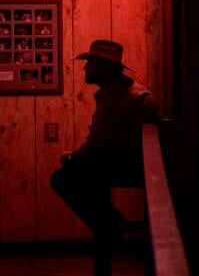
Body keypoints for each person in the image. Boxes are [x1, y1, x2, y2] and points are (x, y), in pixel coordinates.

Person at [50, 39, 161, 240]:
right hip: (144, 162)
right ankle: (110, 223)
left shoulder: (116, 96)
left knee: (62, 178)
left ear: (105, 69)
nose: (85, 67)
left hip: (130, 164)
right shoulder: (127, 90)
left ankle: (110, 226)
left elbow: (97, 143)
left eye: (90, 63)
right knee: (80, 168)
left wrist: (71, 158)